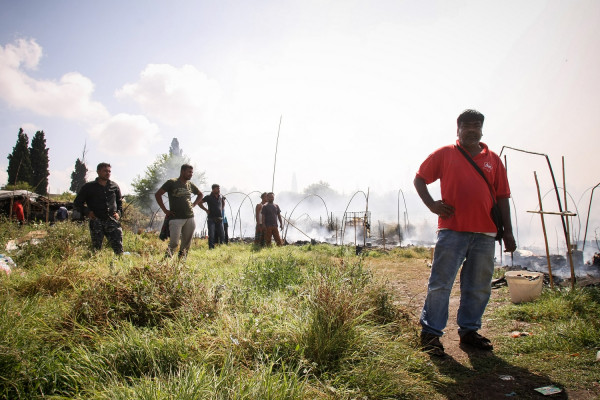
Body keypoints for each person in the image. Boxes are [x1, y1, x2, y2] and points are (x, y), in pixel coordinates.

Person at [413, 109, 516, 357]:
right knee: (440, 283)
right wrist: (432, 205)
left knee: (479, 286)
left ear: (482, 129)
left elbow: (502, 197)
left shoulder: (493, 159)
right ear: (458, 129)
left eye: (477, 125)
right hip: (452, 231)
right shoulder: (445, 154)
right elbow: (419, 179)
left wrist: (508, 232)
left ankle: (469, 331)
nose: (472, 130)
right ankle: (430, 334)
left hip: (485, 233)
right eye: (467, 126)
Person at [74, 162, 123, 254]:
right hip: (96, 221)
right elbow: (77, 203)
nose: (108, 173)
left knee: (118, 248)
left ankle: (119, 266)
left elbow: (119, 203)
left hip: (112, 220)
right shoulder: (88, 187)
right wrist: (87, 212)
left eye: (109, 171)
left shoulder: (114, 186)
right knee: (96, 249)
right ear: (98, 172)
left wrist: (118, 213)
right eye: (105, 171)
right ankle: (97, 265)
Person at [155, 164, 203, 258]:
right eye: (189, 172)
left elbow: (200, 194)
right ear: (182, 171)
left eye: (192, 172)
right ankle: (166, 263)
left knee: (186, 244)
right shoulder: (172, 182)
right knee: (174, 243)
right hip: (176, 218)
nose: (191, 174)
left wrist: (194, 204)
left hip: (190, 217)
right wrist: (165, 210)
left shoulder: (190, 184)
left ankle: (181, 264)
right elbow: (158, 194)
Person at [199, 184, 226, 249]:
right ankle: (211, 248)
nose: (219, 190)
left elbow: (223, 203)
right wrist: (206, 210)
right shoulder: (208, 197)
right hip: (211, 218)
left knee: (222, 234)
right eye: (217, 189)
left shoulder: (220, 197)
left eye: (219, 189)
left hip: (219, 218)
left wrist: (221, 208)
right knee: (211, 234)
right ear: (213, 189)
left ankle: (222, 247)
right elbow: (199, 203)